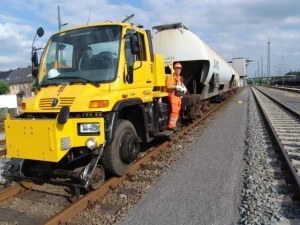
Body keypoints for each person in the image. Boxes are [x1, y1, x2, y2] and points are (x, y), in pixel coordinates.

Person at [166, 62, 187, 131]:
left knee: (177, 110)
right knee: (174, 110)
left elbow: (181, 85)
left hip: (178, 96)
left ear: (180, 70)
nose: (178, 70)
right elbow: (168, 86)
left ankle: (174, 124)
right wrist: (176, 86)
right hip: (173, 95)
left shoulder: (180, 77)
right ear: (174, 69)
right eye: (177, 69)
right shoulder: (171, 77)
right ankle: (171, 126)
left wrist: (184, 88)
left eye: (179, 69)